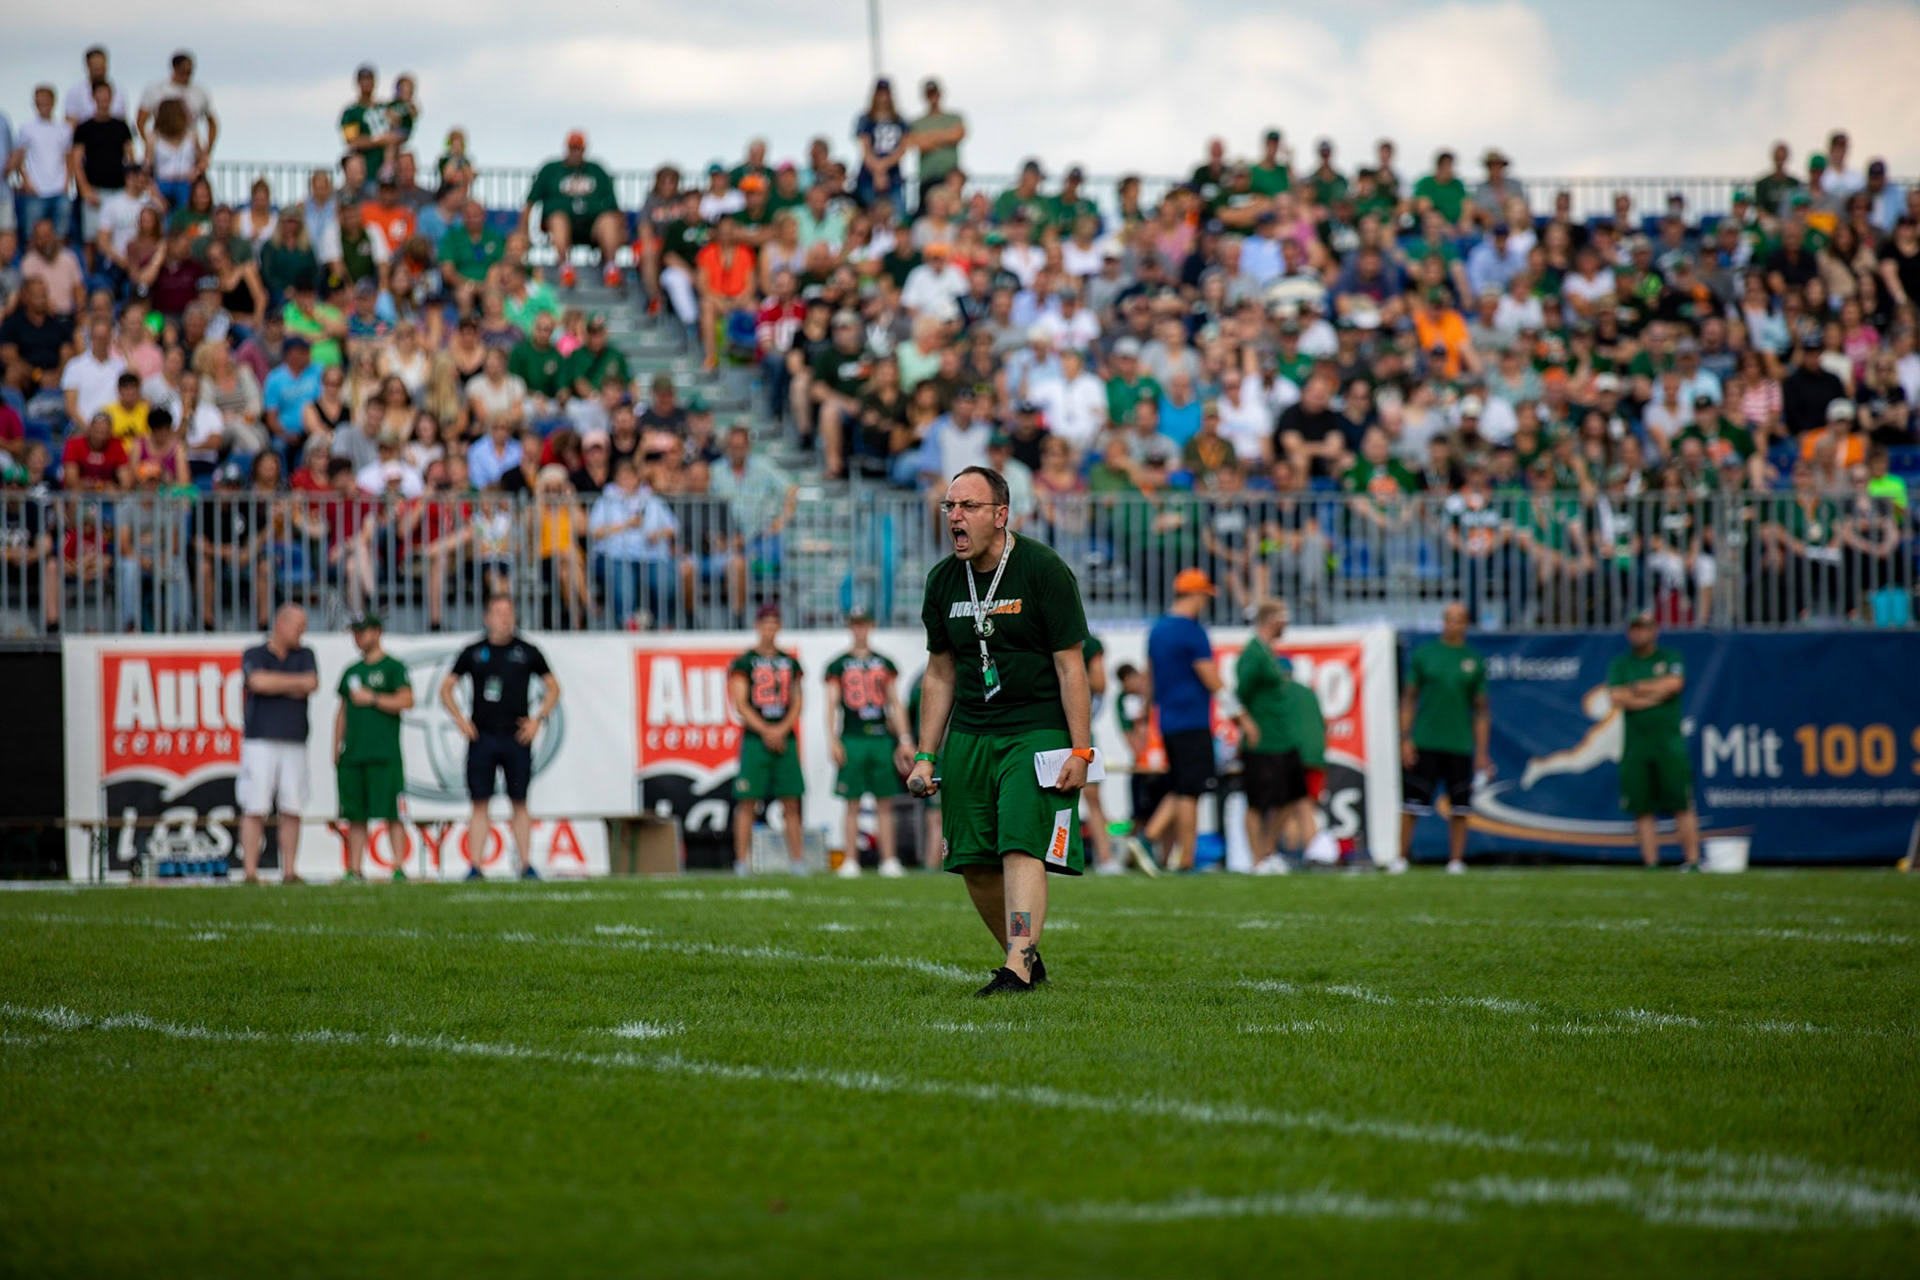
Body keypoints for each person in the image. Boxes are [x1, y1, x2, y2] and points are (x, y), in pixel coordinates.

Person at [907, 466, 1093, 997]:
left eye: (967, 506)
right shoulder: (943, 580)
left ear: (1001, 514)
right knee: (972, 861)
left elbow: (1070, 667)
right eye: (949, 507)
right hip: (969, 732)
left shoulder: (1042, 569)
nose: (955, 517)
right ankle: (1024, 957)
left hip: (1033, 729)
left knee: (1019, 842)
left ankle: (1017, 964)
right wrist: (926, 754)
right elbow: (940, 671)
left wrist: (1080, 748)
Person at [439, 596, 560, 881]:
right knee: (480, 803)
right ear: (487, 617)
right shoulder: (474, 651)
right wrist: (460, 720)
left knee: (519, 801)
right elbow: (446, 688)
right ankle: (475, 866)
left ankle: (526, 864)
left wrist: (538, 720)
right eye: (498, 613)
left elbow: (553, 687)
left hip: (516, 738)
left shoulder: (527, 651)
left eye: (508, 613)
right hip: (483, 736)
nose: (504, 618)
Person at [1391, 601, 1491, 875]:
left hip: (1459, 742)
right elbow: (1409, 699)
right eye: (1448, 618)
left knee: (1460, 806)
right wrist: (1405, 738)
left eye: (1458, 619)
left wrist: (1482, 753)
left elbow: (1482, 711)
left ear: (1466, 624)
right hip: (1425, 739)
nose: (1452, 623)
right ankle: (1401, 858)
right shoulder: (1426, 655)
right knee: (1411, 803)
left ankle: (1456, 860)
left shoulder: (1474, 660)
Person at [825, 605, 913, 879]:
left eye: (863, 624)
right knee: (851, 802)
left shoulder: (884, 663)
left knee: (884, 802)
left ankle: (888, 858)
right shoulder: (838, 665)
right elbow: (831, 705)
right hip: (852, 736)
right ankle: (850, 858)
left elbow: (895, 704)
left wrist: (904, 739)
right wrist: (833, 740)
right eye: (855, 624)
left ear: (870, 626)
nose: (859, 629)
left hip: (879, 737)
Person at [1608, 610, 1700, 870]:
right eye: (1635, 628)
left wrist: (1637, 689)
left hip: (1669, 745)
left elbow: (1673, 685)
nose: (1639, 633)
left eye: (1645, 628)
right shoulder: (1622, 663)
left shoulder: (1670, 657)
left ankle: (1692, 861)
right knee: (1643, 807)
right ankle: (1651, 863)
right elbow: (1617, 696)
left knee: (1681, 803)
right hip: (1636, 747)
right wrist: (1654, 694)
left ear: (1655, 630)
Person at [1145, 568, 1223, 871]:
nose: (1207, 602)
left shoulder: (1157, 629)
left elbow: (1150, 678)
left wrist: (1145, 716)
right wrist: (1241, 714)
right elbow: (1210, 678)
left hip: (1168, 721)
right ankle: (1186, 857)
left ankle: (1147, 838)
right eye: (1205, 595)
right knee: (1191, 790)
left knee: (1180, 785)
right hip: (1193, 719)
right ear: (1195, 594)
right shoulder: (1192, 631)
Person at [238, 604, 319, 885]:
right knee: (254, 806)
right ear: (281, 624)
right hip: (259, 739)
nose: (303, 632)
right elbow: (257, 682)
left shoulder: (305, 654)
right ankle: (250, 872)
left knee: (292, 806)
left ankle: (289, 871)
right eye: (299, 626)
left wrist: (275, 683)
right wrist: (292, 685)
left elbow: (311, 683)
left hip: (294, 739)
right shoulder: (254, 653)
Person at [333, 612, 413, 883]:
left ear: (377, 632)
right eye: (355, 632)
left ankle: (399, 866)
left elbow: (406, 700)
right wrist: (336, 746)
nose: (359, 637)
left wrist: (374, 698)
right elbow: (342, 711)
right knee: (355, 814)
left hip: (384, 752)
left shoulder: (393, 667)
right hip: (354, 753)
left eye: (363, 631)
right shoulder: (350, 671)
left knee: (392, 812)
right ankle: (355, 868)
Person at [729, 601, 806, 875]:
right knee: (747, 801)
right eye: (765, 624)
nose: (769, 629)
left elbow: (797, 701)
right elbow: (741, 704)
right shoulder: (744, 661)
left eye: (774, 624)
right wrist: (767, 730)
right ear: (757, 626)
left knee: (791, 802)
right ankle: (741, 861)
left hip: (784, 737)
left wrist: (781, 729)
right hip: (755, 739)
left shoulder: (790, 662)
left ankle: (797, 861)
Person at [1234, 599, 1301, 875]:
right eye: (1283, 616)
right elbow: (1239, 694)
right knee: (1256, 801)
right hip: (1262, 741)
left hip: (1281, 738)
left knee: (1289, 797)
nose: (1287, 621)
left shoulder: (1267, 652)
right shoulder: (1253, 653)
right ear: (1271, 619)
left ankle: (1268, 851)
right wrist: (1248, 723)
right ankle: (1257, 859)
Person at [523, 130, 623, 289]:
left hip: (592, 227)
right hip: (562, 225)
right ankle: (565, 268)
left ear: (584, 149)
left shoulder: (597, 169)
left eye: (579, 148)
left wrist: (621, 232)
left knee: (609, 220)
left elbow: (615, 209)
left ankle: (611, 268)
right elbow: (530, 204)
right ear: (566, 148)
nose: (575, 152)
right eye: (572, 148)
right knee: (557, 218)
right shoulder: (551, 169)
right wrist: (524, 233)